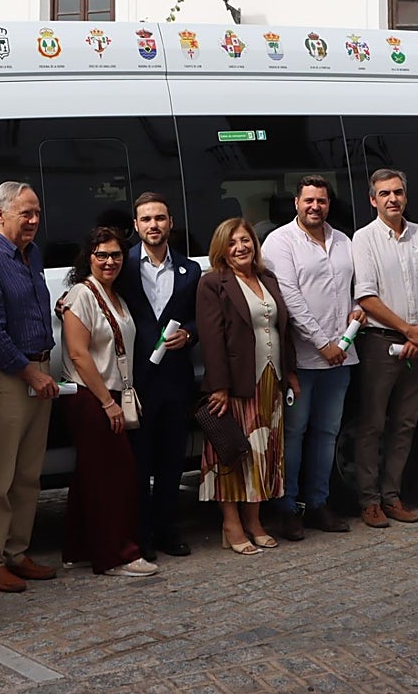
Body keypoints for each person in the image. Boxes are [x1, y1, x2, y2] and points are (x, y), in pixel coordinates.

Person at [0, 181, 60, 593]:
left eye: (37, 212)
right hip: (8, 378)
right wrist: (30, 373)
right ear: (0, 215)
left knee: (28, 475)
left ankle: (17, 552)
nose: (34, 220)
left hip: (36, 374)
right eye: (26, 213)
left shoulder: (32, 253)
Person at [261, 175, 361, 540]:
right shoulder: (280, 241)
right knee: (294, 434)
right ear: (296, 204)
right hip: (304, 358)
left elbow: (351, 287)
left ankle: (318, 503)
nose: (315, 206)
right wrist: (322, 343)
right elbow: (289, 298)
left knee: (328, 433)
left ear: (328, 204)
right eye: (308, 201)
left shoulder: (343, 240)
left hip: (342, 356)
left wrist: (354, 314)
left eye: (321, 200)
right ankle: (288, 508)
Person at [58, 226, 158, 577]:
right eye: (102, 254)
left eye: (116, 255)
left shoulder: (116, 296)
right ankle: (116, 555)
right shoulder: (81, 296)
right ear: (89, 257)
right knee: (115, 478)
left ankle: (80, 547)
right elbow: (78, 354)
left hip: (112, 393)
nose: (109, 261)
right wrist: (107, 402)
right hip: (92, 397)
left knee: (91, 477)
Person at [196, 218, 298, 555]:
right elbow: (211, 339)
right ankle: (232, 523)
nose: (241, 248)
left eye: (246, 241)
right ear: (222, 249)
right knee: (233, 452)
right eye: (232, 242)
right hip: (237, 383)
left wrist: (291, 371)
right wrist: (219, 387)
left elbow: (283, 328)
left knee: (264, 453)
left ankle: (255, 521)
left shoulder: (266, 278)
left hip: (271, 378)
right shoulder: (213, 283)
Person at [351, 169, 418, 528]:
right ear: (373, 200)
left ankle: (392, 495)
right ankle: (369, 500)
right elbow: (366, 297)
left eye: (398, 192)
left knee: (405, 424)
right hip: (381, 343)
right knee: (372, 425)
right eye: (385, 193)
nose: (393, 199)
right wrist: (407, 330)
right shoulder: (364, 238)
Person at [115, 192, 200, 560]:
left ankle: (167, 529)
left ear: (171, 223)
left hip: (176, 379)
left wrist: (190, 334)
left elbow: (199, 315)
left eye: (160, 218)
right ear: (135, 226)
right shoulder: (122, 266)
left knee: (171, 461)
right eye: (146, 219)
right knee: (139, 463)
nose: (154, 225)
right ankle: (140, 534)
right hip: (136, 380)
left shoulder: (190, 270)